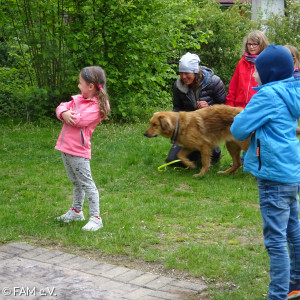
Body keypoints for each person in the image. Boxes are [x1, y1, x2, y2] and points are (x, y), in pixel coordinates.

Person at [230, 44, 300, 300]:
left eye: (258, 69)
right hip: (291, 172)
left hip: (273, 175)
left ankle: (277, 295)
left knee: (275, 240)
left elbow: (238, 130)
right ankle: (297, 282)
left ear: (268, 72)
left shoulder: (268, 96)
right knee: (293, 229)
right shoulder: (293, 90)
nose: (254, 74)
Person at [55, 66, 110, 232]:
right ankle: (76, 212)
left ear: (91, 86)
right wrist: (63, 112)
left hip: (78, 151)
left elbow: (78, 120)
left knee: (87, 184)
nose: (78, 86)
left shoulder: (97, 107)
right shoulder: (78, 99)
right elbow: (61, 106)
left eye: (81, 83)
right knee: (75, 183)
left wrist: (67, 114)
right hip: (66, 148)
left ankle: (96, 218)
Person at [166, 52, 226, 167]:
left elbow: (224, 106)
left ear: (195, 72)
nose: (183, 77)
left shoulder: (214, 82)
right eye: (181, 73)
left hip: (210, 126)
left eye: (187, 73)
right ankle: (198, 151)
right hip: (189, 128)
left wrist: (209, 108)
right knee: (173, 161)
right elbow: (177, 107)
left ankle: (214, 152)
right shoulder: (178, 86)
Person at [225, 30, 269, 108]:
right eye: (249, 44)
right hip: (239, 106)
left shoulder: (266, 63)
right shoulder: (242, 62)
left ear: (262, 44)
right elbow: (233, 86)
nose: (251, 47)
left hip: (257, 106)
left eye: (255, 44)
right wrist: (229, 105)